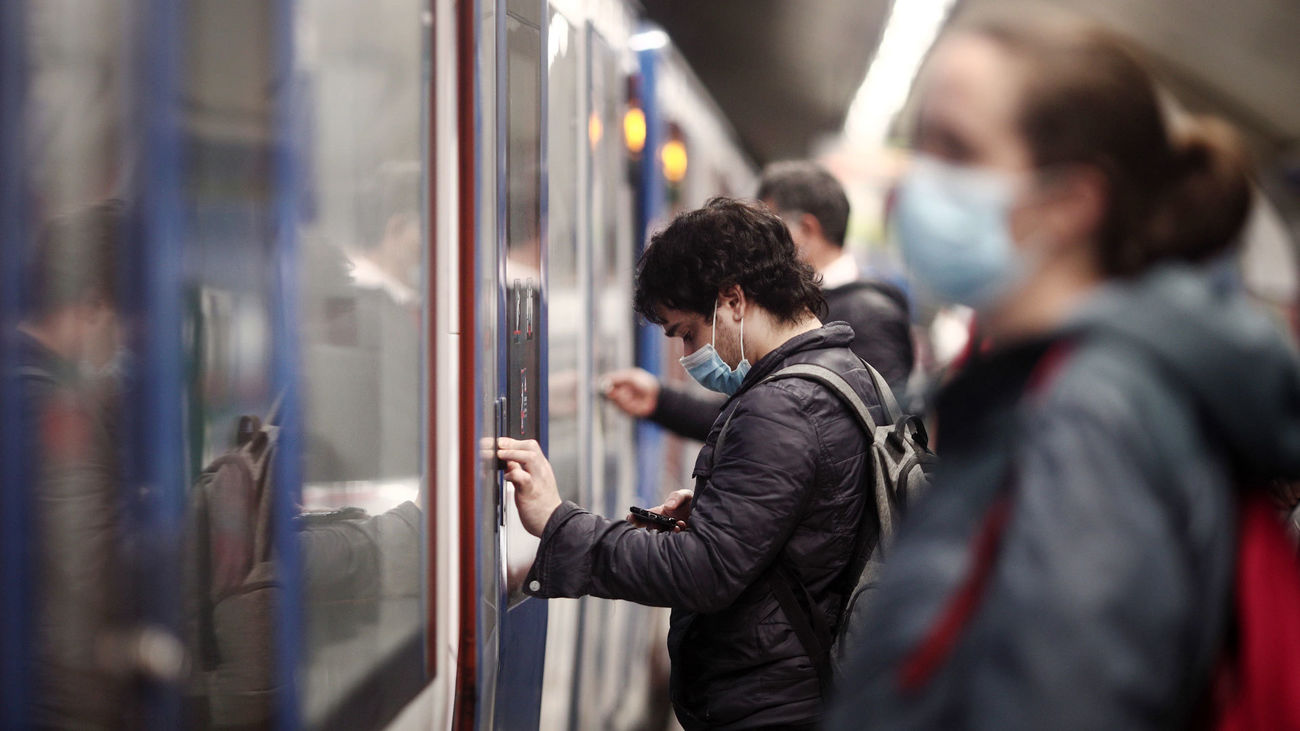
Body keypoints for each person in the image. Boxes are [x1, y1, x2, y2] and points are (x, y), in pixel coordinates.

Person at [826, 14, 1300, 729]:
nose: (919, 180)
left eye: (956, 150)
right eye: (920, 144)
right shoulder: (1060, 391)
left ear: (1070, 203)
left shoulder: (1087, 423)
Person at [498, 198, 888, 729]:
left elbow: (704, 572)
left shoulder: (782, 406)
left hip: (772, 705)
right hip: (803, 688)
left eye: (685, 332)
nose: (686, 353)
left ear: (732, 300)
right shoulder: (848, 372)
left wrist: (558, 523)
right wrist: (719, 508)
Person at [603, 162, 915, 443]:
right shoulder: (807, 312)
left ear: (806, 229)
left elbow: (861, 434)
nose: (753, 240)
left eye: (770, 223)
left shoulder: (869, 315)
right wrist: (661, 401)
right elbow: (756, 415)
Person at [12, 201, 136, 727]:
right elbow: (98, 577)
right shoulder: (53, 412)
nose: (123, 343)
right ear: (91, 305)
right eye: (123, 322)